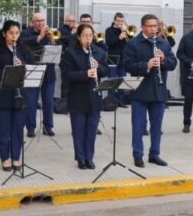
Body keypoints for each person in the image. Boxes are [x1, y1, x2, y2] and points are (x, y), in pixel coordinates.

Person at [121, 14, 178, 167]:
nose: (154, 29)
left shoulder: (163, 43)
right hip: (140, 91)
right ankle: (138, 155)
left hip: (158, 91)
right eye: (151, 26)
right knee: (138, 126)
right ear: (143, 27)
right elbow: (127, 65)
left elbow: (173, 64)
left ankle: (154, 154)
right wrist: (146, 65)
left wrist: (164, 59)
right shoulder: (133, 43)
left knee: (157, 127)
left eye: (156, 26)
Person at [60, 24, 109, 170]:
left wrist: (98, 67)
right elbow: (67, 75)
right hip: (77, 96)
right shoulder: (70, 53)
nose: (88, 38)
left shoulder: (98, 52)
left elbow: (105, 71)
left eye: (90, 35)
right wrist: (85, 74)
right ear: (79, 37)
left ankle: (89, 157)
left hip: (94, 95)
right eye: (85, 36)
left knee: (92, 129)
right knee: (78, 130)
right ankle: (80, 158)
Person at [0, 20, 32, 171]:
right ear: (4, 34)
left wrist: (22, 67)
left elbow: (30, 68)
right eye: (11, 33)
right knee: (4, 129)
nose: (14, 36)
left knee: (18, 129)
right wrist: (8, 71)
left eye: (17, 33)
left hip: (19, 95)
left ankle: (15, 157)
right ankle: (5, 158)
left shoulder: (22, 49)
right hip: (2, 95)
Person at [20, 12, 58, 138]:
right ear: (32, 22)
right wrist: (40, 36)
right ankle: (30, 128)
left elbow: (56, 50)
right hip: (33, 71)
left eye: (43, 20)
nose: (41, 23)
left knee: (48, 102)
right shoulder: (25, 33)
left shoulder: (50, 33)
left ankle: (48, 127)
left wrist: (52, 39)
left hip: (48, 72)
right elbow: (25, 46)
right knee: (31, 102)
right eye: (38, 21)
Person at [105, 12, 130, 107]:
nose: (120, 22)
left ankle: (120, 100)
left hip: (123, 59)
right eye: (118, 21)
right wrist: (119, 37)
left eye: (122, 21)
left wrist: (127, 33)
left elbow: (131, 42)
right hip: (113, 58)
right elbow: (109, 43)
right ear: (114, 20)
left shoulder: (125, 30)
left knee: (122, 80)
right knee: (111, 80)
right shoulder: (109, 30)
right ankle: (111, 101)